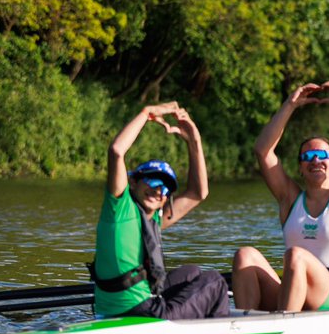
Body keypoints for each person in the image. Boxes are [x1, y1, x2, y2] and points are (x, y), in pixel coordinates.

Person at [231, 81, 329, 312]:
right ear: (300, 168)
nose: (315, 160)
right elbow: (263, 150)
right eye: (308, 156)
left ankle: (285, 327)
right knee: (245, 255)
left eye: (322, 155)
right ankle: (245, 325)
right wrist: (290, 105)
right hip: (291, 290)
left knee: (296, 256)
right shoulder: (289, 199)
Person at [90, 102, 228, 320]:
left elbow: (198, 193)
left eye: (165, 187)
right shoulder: (119, 207)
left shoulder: (153, 217)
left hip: (128, 307)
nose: (158, 190)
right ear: (132, 182)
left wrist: (194, 140)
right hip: (140, 312)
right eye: (153, 181)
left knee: (191, 272)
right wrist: (146, 113)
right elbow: (117, 151)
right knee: (215, 282)